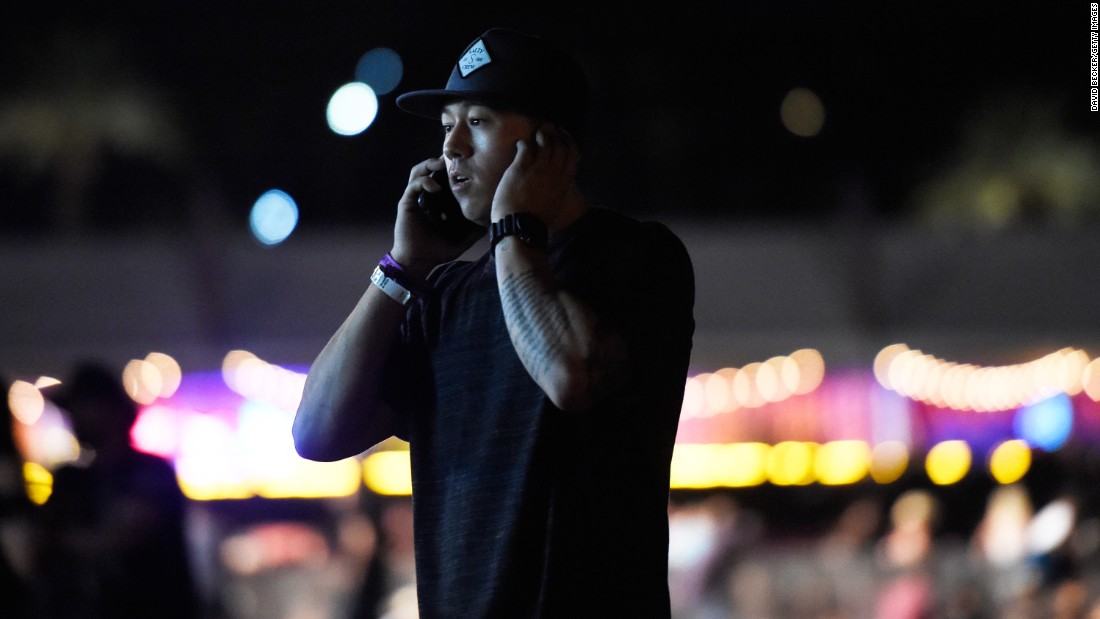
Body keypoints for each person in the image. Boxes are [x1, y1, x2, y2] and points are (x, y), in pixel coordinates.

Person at [292, 27, 695, 618]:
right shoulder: (445, 294)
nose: (450, 148)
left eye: (476, 122)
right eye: (445, 126)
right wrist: (402, 268)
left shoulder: (635, 256)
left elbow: (569, 375)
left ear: (548, 142)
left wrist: (513, 227)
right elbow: (316, 434)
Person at [32, 361, 200, 619]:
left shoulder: (150, 472)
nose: (75, 417)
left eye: (85, 406)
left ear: (111, 409)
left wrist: (65, 541)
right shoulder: (73, 480)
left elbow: (126, 535)